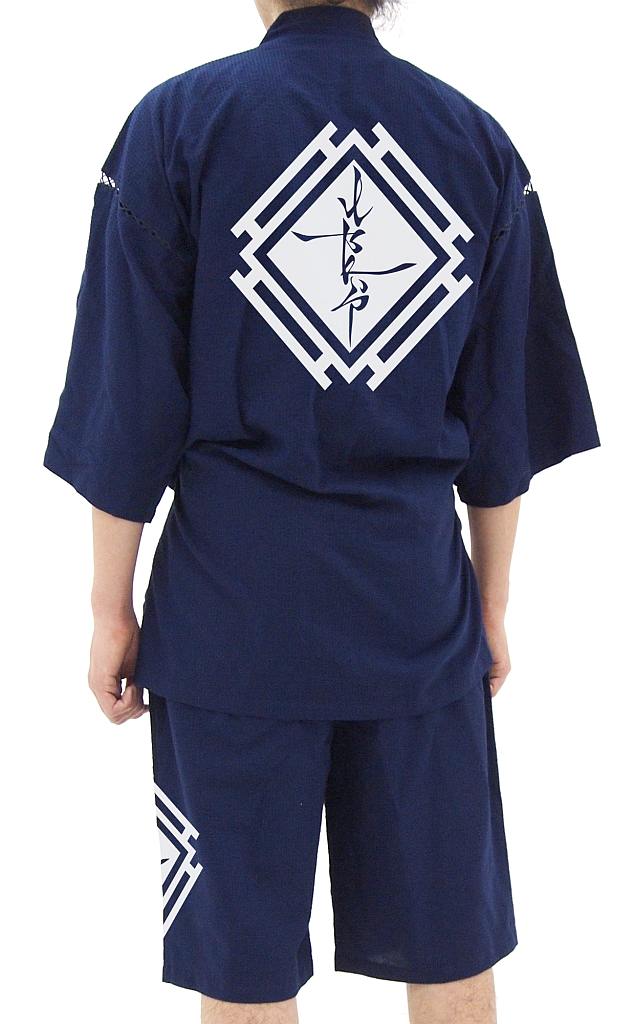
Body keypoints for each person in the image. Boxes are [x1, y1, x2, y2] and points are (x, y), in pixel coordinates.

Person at [43, 1, 600, 1022]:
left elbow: (127, 407)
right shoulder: (476, 142)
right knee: (452, 945)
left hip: (229, 624)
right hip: (416, 615)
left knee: (242, 968)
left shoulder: (176, 125)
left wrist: (108, 608)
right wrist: (490, 605)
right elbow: (505, 423)